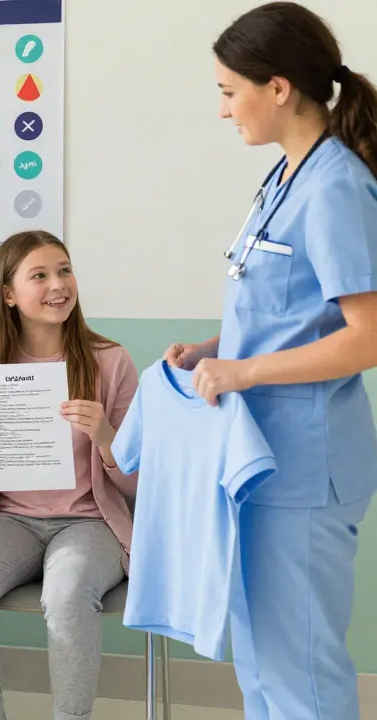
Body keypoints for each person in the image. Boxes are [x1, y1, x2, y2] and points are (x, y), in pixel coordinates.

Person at [161, 4, 377, 718]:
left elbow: (367, 336)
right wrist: (214, 350)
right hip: (261, 458)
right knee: (262, 664)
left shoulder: (337, 186)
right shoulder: (285, 178)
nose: (224, 110)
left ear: (278, 87)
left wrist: (242, 373)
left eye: (229, 91)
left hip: (305, 467)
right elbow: (288, 315)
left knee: (300, 675)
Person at [0, 232, 139, 720]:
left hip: (92, 521)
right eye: (41, 275)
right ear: (9, 294)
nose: (59, 284)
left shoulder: (110, 361)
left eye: (65, 270)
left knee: (68, 593)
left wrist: (107, 436)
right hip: (11, 519)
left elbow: (138, 483)